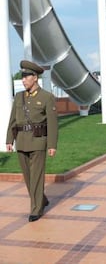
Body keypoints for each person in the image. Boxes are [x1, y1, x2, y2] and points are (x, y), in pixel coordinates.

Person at [6, 60, 58, 222]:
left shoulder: (47, 97)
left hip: (38, 141)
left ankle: (36, 209)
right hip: (21, 141)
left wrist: (51, 145)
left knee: (36, 176)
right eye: (22, 77)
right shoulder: (19, 97)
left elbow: (52, 123)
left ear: (35, 78)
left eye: (26, 77)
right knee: (28, 177)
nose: (23, 80)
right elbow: (12, 120)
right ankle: (41, 199)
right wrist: (9, 140)